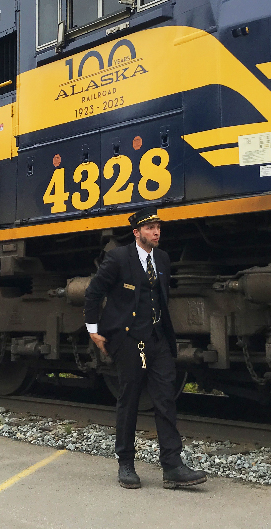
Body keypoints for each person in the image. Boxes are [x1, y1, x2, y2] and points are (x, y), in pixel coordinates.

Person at [84, 206, 207, 490]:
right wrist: (94, 331)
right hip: (128, 340)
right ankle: (126, 464)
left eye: (159, 228)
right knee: (129, 400)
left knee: (166, 398)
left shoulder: (162, 259)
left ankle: (173, 466)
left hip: (158, 340)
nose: (156, 232)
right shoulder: (117, 258)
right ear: (136, 232)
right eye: (151, 228)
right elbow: (93, 293)